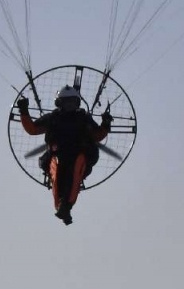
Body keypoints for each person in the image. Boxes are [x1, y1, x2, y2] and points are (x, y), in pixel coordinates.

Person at [17, 85, 112, 226]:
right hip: (57, 157)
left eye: (72, 102)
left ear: (77, 103)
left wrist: (105, 123)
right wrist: (24, 111)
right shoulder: (52, 118)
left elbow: (97, 135)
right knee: (59, 175)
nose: (69, 105)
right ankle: (63, 208)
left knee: (73, 173)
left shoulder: (84, 119)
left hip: (79, 157)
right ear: (59, 103)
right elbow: (32, 129)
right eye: (66, 102)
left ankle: (65, 207)